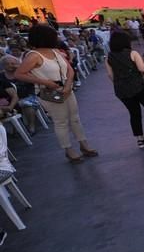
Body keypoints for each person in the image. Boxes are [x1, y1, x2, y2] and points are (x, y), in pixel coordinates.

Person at [14, 24, 97, 163]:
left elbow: (69, 69)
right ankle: (68, 149)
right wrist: (45, 82)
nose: (57, 37)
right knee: (61, 121)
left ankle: (84, 144)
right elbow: (19, 74)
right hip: (50, 93)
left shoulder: (55, 51)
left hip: (66, 89)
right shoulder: (33, 56)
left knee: (75, 118)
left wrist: (68, 84)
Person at [104, 30, 144, 149]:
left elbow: (110, 75)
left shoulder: (109, 57)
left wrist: (120, 82)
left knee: (134, 114)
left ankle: (140, 139)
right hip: (139, 86)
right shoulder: (132, 53)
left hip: (122, 89)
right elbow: (142, 68)